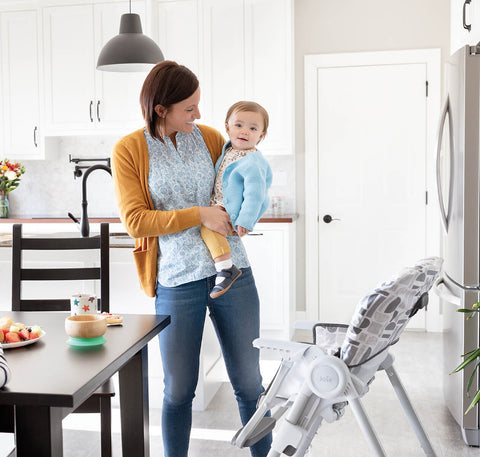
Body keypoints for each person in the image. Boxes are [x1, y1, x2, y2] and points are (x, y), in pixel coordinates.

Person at [111, 60, 272, 457]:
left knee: (250, 384)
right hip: (176, 278)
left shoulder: (213, 137)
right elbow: (135, 221)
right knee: (178, 389)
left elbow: (245, 177)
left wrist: (250, 208)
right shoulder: (130, 149)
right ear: (160, 109)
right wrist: (197, 214)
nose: (199, 115)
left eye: (198, 105)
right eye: (189, 108)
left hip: (232, 273)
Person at [201, 101, 272, 299]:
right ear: (227, 128)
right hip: (219, 204)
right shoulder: (229, 150)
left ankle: (226, 268)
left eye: (253, 128)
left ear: (261, 135)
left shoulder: (253, 160)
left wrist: (245, 220)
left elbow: (255, 194)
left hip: (231, 210)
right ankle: (224, 267)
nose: (245, 132)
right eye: (239, 125)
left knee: (208, 228)